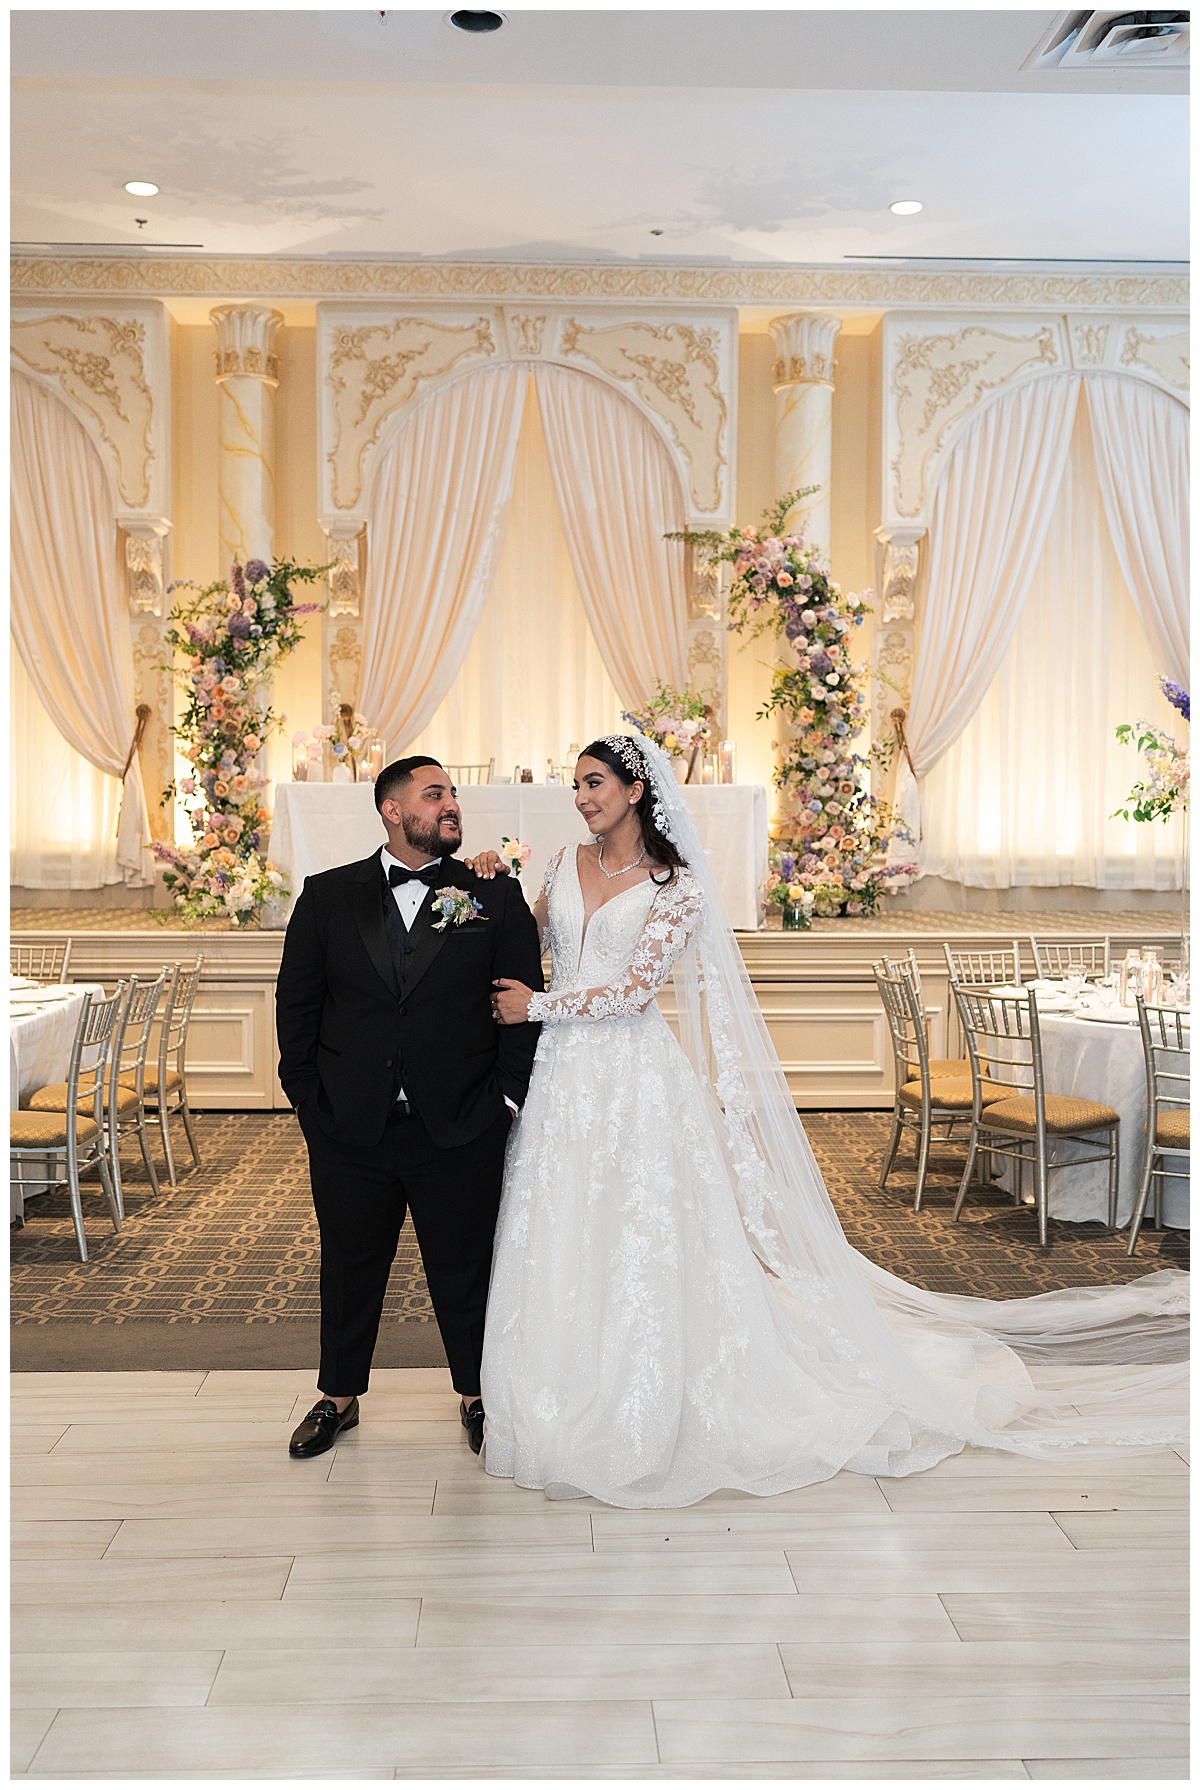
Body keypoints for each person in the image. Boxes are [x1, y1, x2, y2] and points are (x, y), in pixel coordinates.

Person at [479, 733, 1187, 1508]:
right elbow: (527, 932)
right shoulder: (559, 865)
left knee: (640, 1231)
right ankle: (562, 1385)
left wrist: (537, 1006)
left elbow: (632, 993)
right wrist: (488, 882)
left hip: (633, 1080)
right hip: (564, 1081)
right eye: (575, 786)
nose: (582, 799)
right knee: (564, 1223)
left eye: (595, 783)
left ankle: (645, 1392)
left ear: (637, 790)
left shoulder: (675, 887)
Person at [276, 756, 543, 1460]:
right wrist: (309, 1098)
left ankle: (478, 1395)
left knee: (465, 1265)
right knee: (348, 1262)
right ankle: (337, 1397)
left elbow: (523, 1005)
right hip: (349, 1123)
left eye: (454, 793)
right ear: (393, 811)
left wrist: (507, 1101)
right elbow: (297, 1004)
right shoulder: (328, 896)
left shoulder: (492, 895)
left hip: (460, 1121)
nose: (451, 804)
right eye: (435, 795)